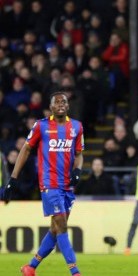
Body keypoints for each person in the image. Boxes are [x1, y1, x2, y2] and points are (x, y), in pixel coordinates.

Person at [2, 92, 84, 276]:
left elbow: (79, 154)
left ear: (68, 106)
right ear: (51, 107)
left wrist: (78, 171)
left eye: (64, 101)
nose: (61, 104)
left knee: (55, 230)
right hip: (49, 183)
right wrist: (12, 179)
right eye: (57, 102)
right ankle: (75, 272)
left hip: (67, 186)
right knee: (61, 225)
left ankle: (30, 267)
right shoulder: (42, 126)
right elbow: (25, 149)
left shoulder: (77, 127)